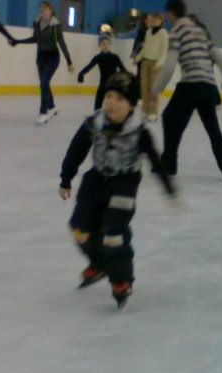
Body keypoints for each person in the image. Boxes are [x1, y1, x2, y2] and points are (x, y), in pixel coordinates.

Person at [58, 73, 177, 309]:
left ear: (131, 104)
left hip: (124, 183)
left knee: (114, 234)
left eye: (120, 99)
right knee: (80, 229)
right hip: (95, 180)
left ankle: (121, 279)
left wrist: (168, 189)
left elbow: (156, 161)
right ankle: (99, 263)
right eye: (109, 96)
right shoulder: (94, 123)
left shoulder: (139, 131)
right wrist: (66, 178)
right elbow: (76, 149)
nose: (112, 102)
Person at [153, 0, 222, 180]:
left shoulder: (177, 31)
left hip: (190, 84)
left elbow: (169, 65)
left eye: (167, 14)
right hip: (208, 85)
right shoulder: (199, 30)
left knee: (169, 118)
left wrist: (156, 89)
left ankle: (169, 165)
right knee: (212, 128)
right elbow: (217, 55)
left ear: (171, 13)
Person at [12, 1, 74, 124]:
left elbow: (61, 42)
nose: (42, 10)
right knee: (44, 84)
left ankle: (43, 113)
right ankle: (52, 107)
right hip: (41, 57)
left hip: (53, 57)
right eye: (41, 8)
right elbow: (35, 39)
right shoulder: (37, 22)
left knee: (44, 83)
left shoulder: (55, 24)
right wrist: (18, 41)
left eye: (45, 8)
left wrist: (69, 61)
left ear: (51, 10)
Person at [77, 36, 129, 110]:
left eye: (107, 44)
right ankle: (97, 112)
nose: (105, 46)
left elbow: (123, 69)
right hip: (103, 83)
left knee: (114, 101)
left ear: (110, 45)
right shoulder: (98, 57)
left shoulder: (115, 57)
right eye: (103, 44)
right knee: (98, 101)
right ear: (99, 46)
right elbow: (89, 66)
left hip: (113, 83)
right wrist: (81, 73)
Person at [134, 13, 168, 122]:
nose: (154, 21)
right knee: (144, 87)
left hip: (156, 63)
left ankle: (153, 112)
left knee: (154, 89)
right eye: (153, 19)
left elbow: (164, 49)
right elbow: (145, 48)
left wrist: (160, 62)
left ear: (161, 21)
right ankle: (145, 110)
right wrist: (138, 58)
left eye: (157, 19)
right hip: (145, 62)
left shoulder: (163, 32)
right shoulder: (148, 32)